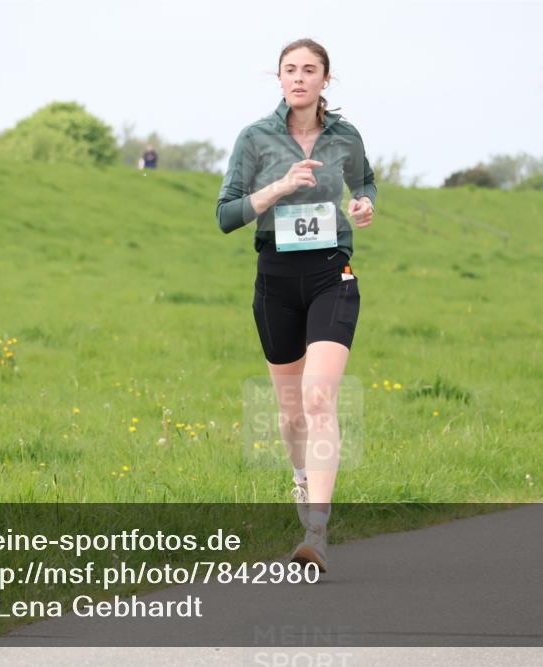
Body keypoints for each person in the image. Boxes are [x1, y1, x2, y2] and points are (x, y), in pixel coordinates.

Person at [216, 38, 376, 570]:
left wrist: (364, 203)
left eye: (310, 70)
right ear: (279, 79)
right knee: (290, 414)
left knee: (318, 399)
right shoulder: (255, 138)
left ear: (326, 80)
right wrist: (278, 187)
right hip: (276, 278)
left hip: (333, 272)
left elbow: (365, 181)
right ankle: (302, 480)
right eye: (291, 70)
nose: (300, 78)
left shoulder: (345, 136)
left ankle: (317, 531)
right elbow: (226, 215)